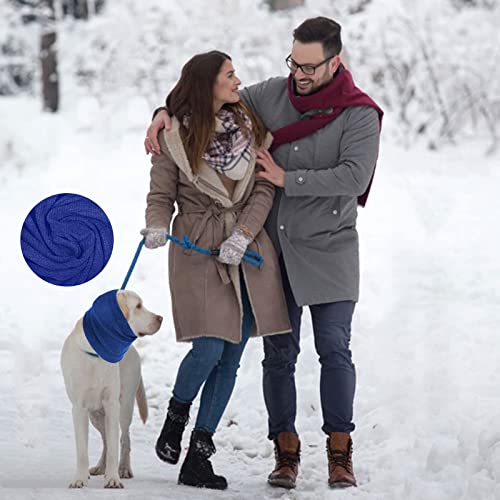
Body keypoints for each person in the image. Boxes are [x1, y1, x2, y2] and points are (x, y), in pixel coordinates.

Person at [145, 17, 383, 490]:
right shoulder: (269, 95)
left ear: (335, 61)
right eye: (294, 62)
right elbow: (205, 95)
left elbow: (354, 177)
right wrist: (161, 112)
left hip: (331, 246)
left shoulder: (359, 113)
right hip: (273, 250)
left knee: (335, 349)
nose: (299, 73)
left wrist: (285, 179)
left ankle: (340, 451)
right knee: (279, 355)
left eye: (310, 66)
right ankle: (286, 451)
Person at [141, 50, 291, 490]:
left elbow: (263, 186)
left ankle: (198, 456)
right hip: (197, 248)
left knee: (232, 355)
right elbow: (160, 192)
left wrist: (243, 234)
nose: (237, 80)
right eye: (229, 75)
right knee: (208, 346)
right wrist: (154, 225)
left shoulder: (251, 125)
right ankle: (176, 416)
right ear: (208, 84)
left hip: (243, 250)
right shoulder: (174, 135)